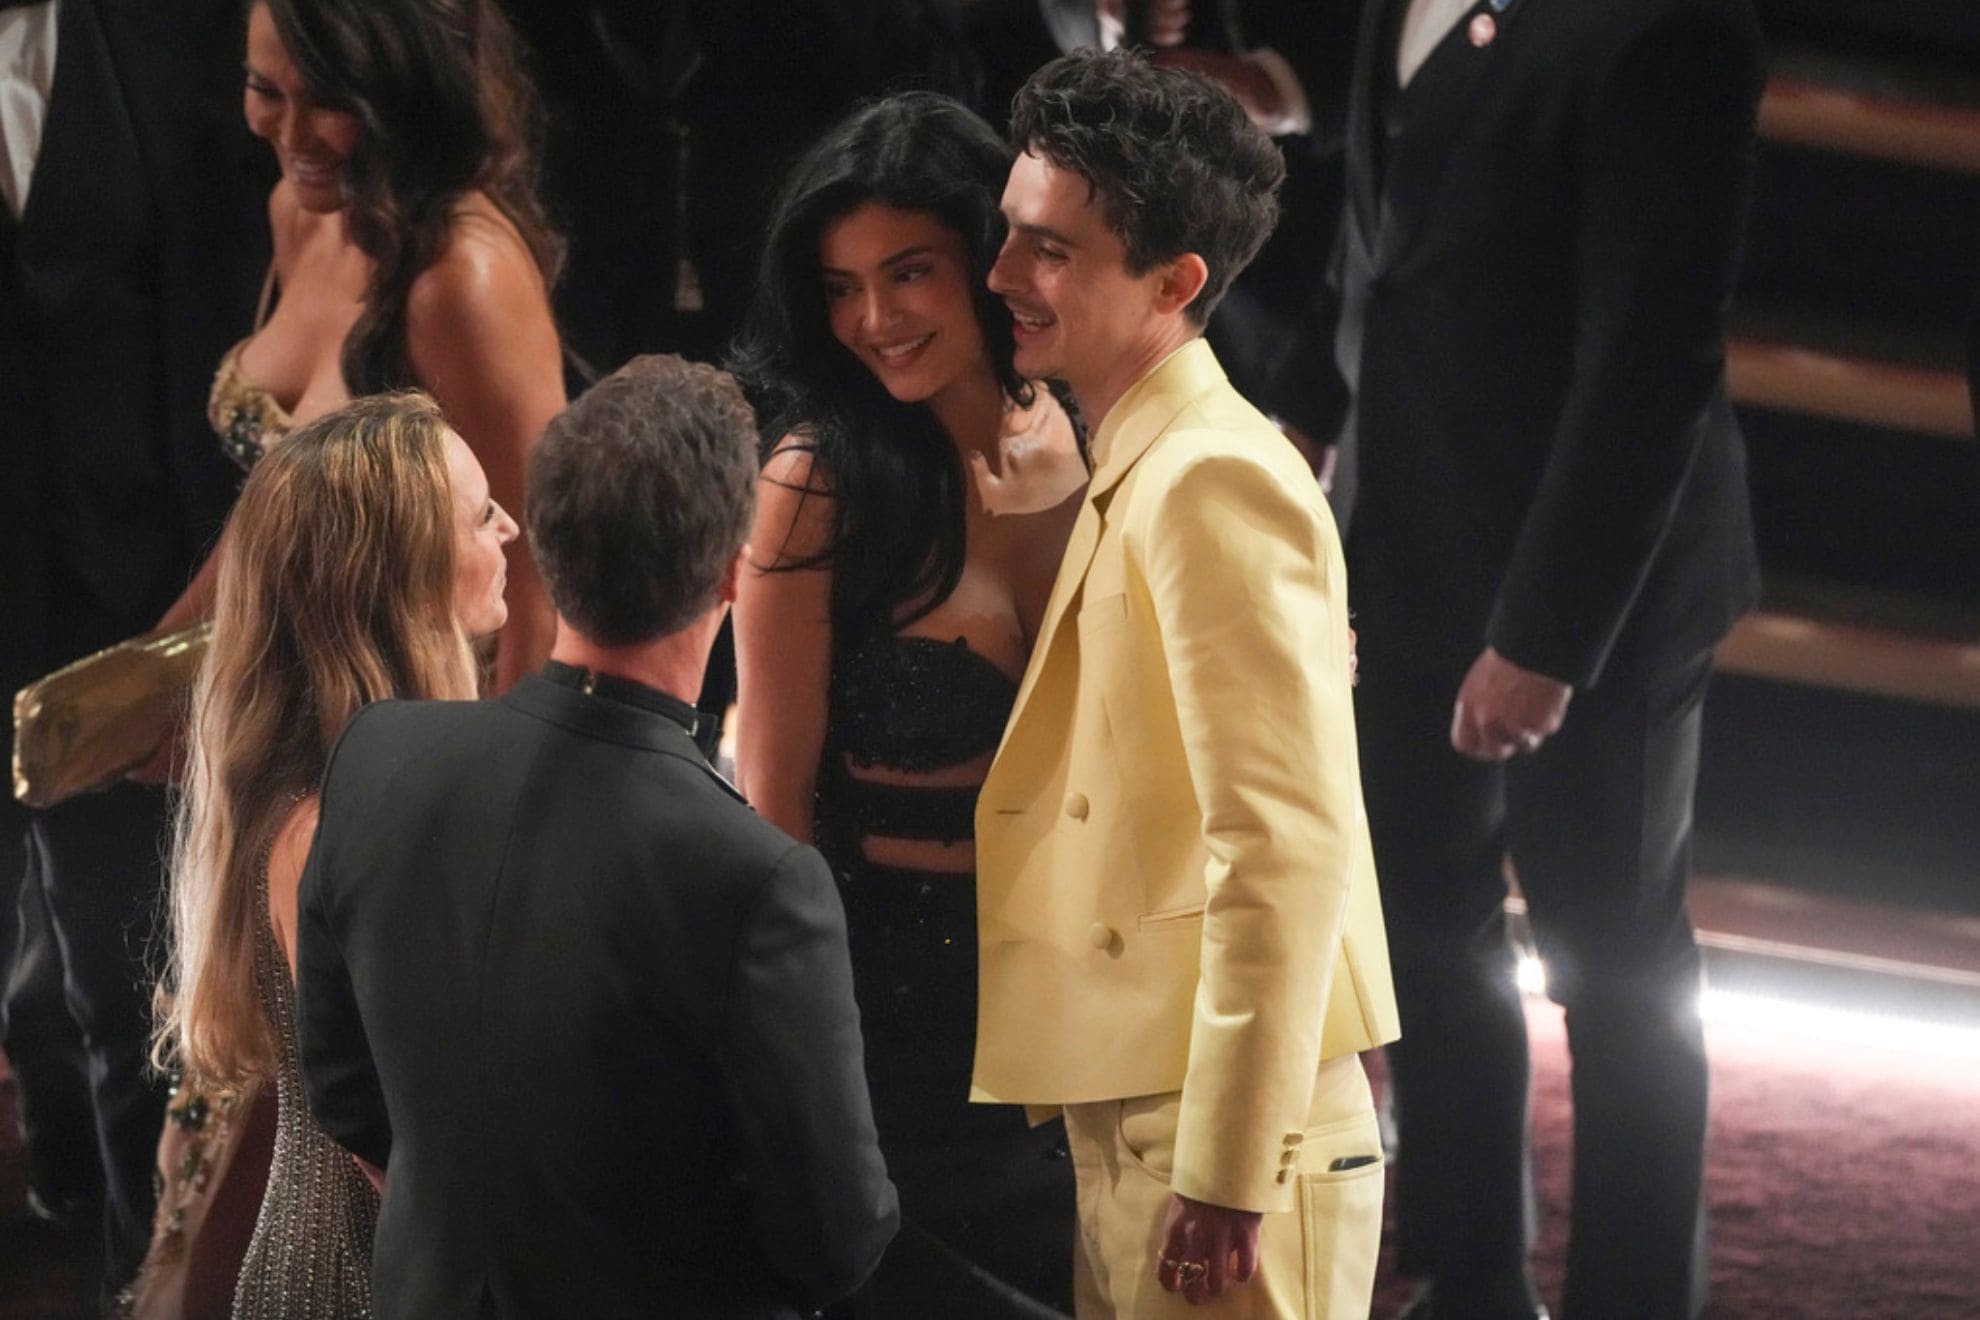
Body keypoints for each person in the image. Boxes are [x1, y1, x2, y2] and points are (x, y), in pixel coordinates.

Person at [295, 356, 898, 1319]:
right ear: (734, 573)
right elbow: (835, 1235)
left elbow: (344, 1091)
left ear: (549, 541)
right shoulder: (758, 876)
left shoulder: (378, 755)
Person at [1327, 0, 1765, 1315]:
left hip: (1596, 595)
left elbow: (1651, 352)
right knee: (1422, 925)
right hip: (1402, 553)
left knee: (1615, 961)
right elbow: (1378, 257)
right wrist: (1299, 426)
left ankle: (1636, 1300)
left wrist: (1544, 637)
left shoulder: (1672, 30)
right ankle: (1474, 1276)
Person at [974, 48, 1399, 1317]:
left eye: (1050, 250)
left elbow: (1283, 845)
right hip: (1146, 1117)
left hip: (1217, 1148)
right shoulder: (1156, 459)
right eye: (1009, 235)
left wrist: (1226, 1169)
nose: (1004, 276)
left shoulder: (1215, 476)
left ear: (1176, 284)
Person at [729, 91, 1086, 1313]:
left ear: (992, 255)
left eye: (910, 272)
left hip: (1082, 1012)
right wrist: (796, 1078)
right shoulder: (816, 480)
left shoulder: (1095, 435)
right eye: (839, 287)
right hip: (888, 1037)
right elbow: (770, 809)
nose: (872, 320)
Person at [0, 0, 267, 1292]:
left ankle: (132, 1280)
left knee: (127, 1004)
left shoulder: (181, 41)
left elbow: (220, 321)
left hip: (125, 616)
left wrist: (189, 633)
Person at [149, 392, 512, 1316]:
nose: (510, 525)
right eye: (480, 513)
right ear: (406, 576)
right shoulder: (332, 825)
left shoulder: (361, 793)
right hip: (355, 1279)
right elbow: (397, 1141)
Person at [155, 0, 566, 694]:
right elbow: (274, 505)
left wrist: (493, 793)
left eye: (327, 99)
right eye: (265, 90)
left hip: (422, 725)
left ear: (405, 87)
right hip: (293, 712)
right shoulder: (299, 211)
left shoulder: (464, 280)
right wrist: (155, 672)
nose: (288, 133)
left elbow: (538, 598)